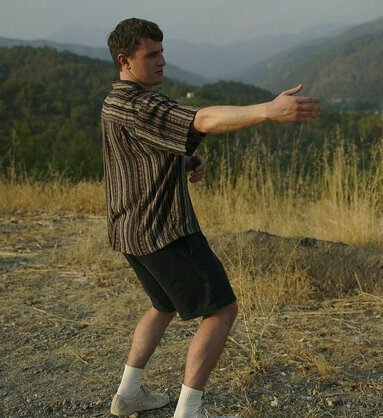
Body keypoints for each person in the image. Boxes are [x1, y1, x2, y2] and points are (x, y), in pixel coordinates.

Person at [101, 18, 321, 418]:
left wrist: (186, 159)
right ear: (124, 60)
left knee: (162, 305)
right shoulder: (142, 104)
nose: (163, 61)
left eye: (162, 51)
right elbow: (202, 120)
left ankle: (128, 394)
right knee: (222, 310)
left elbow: (137, 156)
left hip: (128, 230)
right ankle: (190, 409)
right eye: (151, 55)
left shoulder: (114, 102)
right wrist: (269, 110)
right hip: (163, 230)